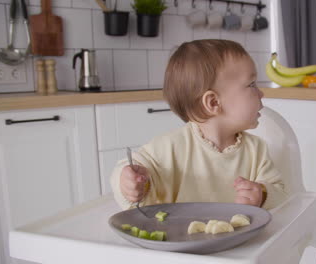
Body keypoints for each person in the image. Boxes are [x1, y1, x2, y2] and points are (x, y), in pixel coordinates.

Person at [110, 39, 287, 210]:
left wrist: (262, 195)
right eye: (252, 84)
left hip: (242, 239)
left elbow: (280, 192)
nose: (261, 93)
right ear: (213, 103)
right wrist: (129, 183)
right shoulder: (170, 147)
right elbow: (131, 167)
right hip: (179, 238)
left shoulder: (256, 150)